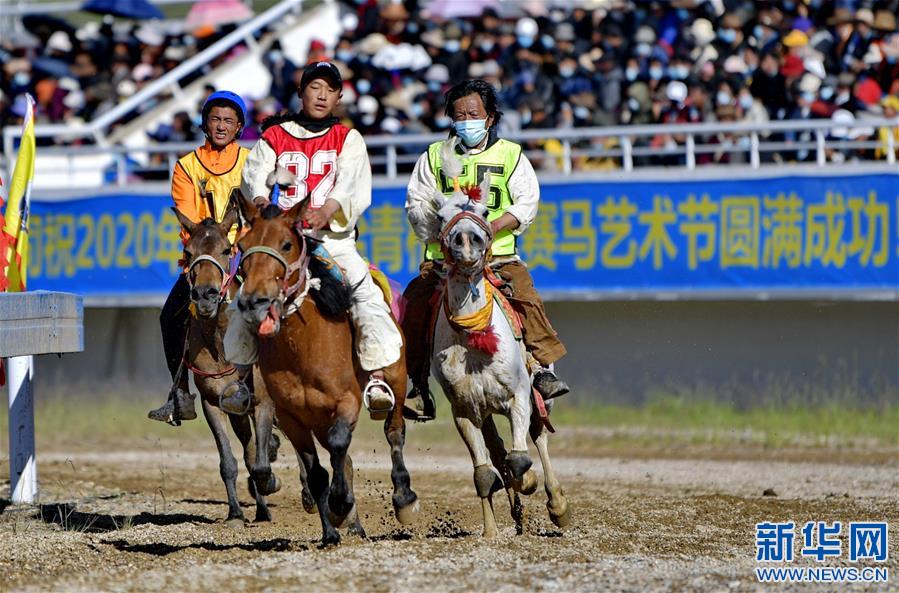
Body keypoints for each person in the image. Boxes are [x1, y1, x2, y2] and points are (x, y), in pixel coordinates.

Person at [222, 61, 403, 420]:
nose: (321, 95)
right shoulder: (274, 136)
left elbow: (351, 184)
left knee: (367, 296)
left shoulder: (348, 139)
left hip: (330, 240)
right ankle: (241, 378)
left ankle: (376, 377)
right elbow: (254, 177)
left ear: (338, 97)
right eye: (314, 87)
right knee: (243, 299)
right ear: (301, 92)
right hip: (278, 242)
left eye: (329, 90)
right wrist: (262, 204)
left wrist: (327, 210)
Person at [403, 79, 569, 422]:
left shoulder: (511, 154)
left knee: (526, 299)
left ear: (489, 117)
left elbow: (527, 202)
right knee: (413, 307)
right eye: (459, 114)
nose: (466, 119)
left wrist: (492, 228)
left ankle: (540, 369)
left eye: (473, 113)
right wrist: (442, 232)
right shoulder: (434, 156)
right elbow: (415, 204)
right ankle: (418, 386)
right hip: (443, 263)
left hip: (499, 259)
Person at [148, 90, 249, 424]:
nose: (221, 126)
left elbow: (257, 207)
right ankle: (180, 393)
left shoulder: (252, 161)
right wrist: (212, 247)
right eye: (215, 119)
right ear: (205, 124)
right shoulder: (186, 166)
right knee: (169, 317)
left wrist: (238, 245)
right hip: (205, 255)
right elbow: (189, 220)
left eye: (228, 121)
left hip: (245, 251)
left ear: (239, 127)